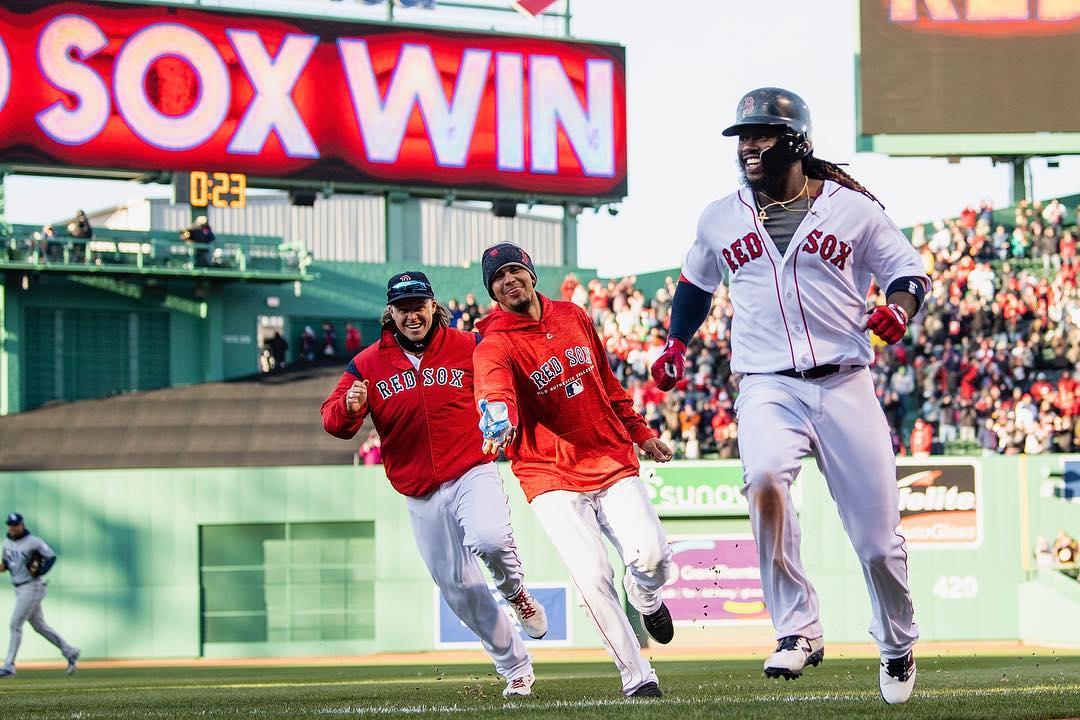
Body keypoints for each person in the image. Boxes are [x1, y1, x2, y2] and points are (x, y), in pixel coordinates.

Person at [650, 88, 927, 704]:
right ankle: (798, 629)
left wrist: (900, 309)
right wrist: (675, 342)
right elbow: (695, 285)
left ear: (796, 141)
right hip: (767, 383)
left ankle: (898, 643)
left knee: (879, 544)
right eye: (743, 136)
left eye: (762, 134)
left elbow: (908, 272)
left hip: (846, 381)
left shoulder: (852, 210)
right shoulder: (719, 215)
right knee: (766, 479)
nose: (748, 146)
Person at [321, 271, 547, 698]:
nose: (412, 315)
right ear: (390, 313)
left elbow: (505, 376)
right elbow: (333, 420)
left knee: (491, 539)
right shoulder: (367, 363)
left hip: (471, 466)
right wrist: (350, 407)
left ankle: (516, 593)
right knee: (458, 588)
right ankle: (515, 666)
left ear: (432, 306)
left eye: (418, 306)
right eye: (403, 308)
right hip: (418, 488)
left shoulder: (467, 345)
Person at [473, 242, 675, 699]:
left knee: (653, 556)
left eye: (514, 270)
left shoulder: (573, 315)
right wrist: (498, 418)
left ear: (530, 273)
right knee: (592, 577)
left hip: (608, 454)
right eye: (498, 277)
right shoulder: (495, 341)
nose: (509, 281)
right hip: (550, 474)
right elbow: (493, 387)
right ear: (493, 291)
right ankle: (637, 677)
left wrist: (641, 433)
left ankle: (646, 597)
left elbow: (606, 379)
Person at [0, 513, 80, 677]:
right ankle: (70, 651)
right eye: (10, 524)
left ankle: (9, 666)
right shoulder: (7, 542)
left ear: (22, 524)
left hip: (32, 586)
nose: (12, 527)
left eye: (15, 524)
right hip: (19, 587)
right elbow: (6, 564)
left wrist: (40, 571)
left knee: (15, 624)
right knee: (39, 626)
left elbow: (50, 557)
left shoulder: (33, 542)